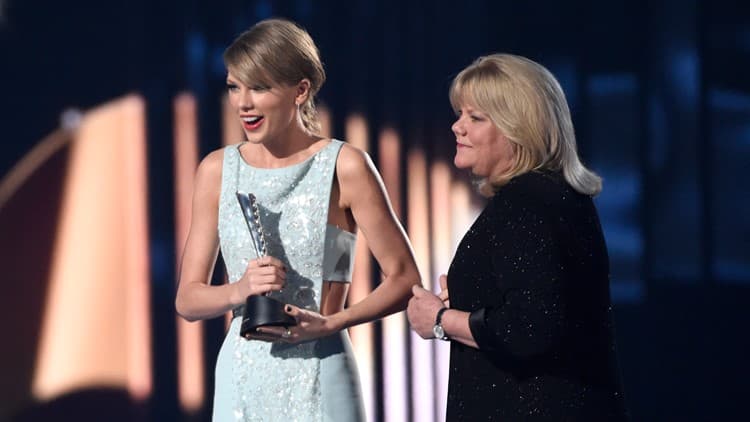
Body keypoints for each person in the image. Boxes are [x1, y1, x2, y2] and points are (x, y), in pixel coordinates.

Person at [175, 18, 421, 421]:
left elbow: (404, 278)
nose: (243, 103)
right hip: (243, 380)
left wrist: (332, 323)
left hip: (322, 371)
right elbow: (188, 298)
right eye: (235, 87)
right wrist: (240, 289)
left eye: (259, 87)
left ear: (300, 90)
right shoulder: (217, 170)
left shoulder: (345, 166)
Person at [406, 53, 628, 420]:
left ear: (518, 130)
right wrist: (471, 296)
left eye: (475, 118)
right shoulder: (558, 196)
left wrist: (439, 319)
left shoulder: (525, 203)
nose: (457, 127)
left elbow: (529, 327)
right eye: (460, 114)